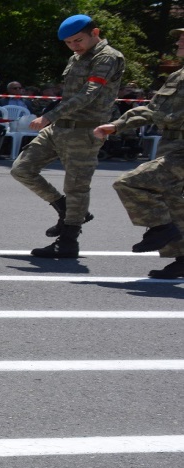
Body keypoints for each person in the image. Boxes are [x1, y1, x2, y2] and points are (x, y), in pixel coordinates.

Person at [11, 14, 124, 258]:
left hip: (85, 129)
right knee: (22, 169)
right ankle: (66, 210)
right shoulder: (77, 58)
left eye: (78, 40)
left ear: (95, 33)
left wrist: (50, 116)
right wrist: (54, 118)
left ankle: (69, 241)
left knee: (76, 187)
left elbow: (89, 94)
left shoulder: (107, 57)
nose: (74, 46)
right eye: (69, 43)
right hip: (60, 127)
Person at [92, 27, 184, 279]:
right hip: (172, 146)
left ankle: (161, 229)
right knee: (173, 201)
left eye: (183, 37)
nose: (178, 40)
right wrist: (117, 125)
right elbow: (153, 109)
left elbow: (162, 114)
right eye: (178, 36)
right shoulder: (177, 75)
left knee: (130, 183)